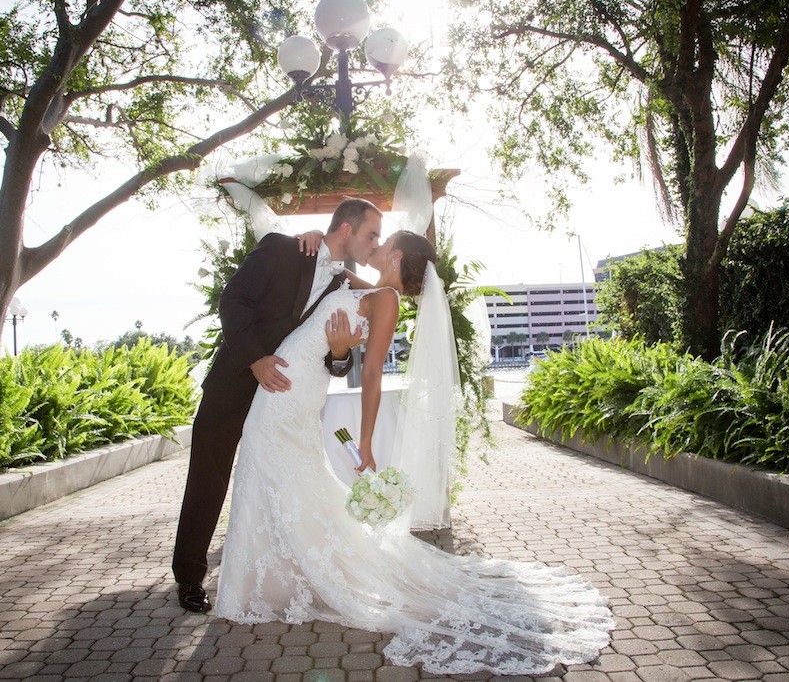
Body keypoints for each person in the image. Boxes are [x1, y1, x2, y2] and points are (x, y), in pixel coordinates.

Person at [216, 230, 615, 675]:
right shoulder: (376, 290)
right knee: (281, 475)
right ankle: (266, 579)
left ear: (397, 254)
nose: (376, 245)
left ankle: (260, 583)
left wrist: (365, 441)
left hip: (291, 394)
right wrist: (311, 242)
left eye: (382, 241)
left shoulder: (386, 300)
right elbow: (334, 269)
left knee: (274, 468)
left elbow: (370, 374)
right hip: (291, 389)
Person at [172, 198, 383, 614]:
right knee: (208, 477)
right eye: (371, 234)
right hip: (234, 384)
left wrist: (340, 353)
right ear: (346, 229)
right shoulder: (283, 249)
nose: (374, 244)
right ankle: (189, 575)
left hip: (283, 400)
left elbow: (332, 358)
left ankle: (266, 570)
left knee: (275, 483)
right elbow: (232, 302)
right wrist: (254, 359)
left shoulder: (346, 284)